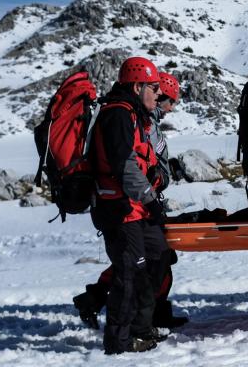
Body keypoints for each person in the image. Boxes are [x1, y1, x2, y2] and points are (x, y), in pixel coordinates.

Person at [73, 71, 188, 332]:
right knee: (140, 263)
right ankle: (126, 322)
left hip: (139, 201)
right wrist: (154, 184)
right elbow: (133, 164)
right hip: (132, 204)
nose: (171, 107)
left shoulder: (145, 121)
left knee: (146, 260)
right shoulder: (139, 121)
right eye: (170, 101)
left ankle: (106, 303)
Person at [90, 56, 170, 354]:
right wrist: (150, 197)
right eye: (154, 87)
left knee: (158, 255)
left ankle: (141, 327)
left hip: (137, 207)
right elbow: (123, 166)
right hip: (120, 209)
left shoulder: (135, 115)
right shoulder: (118, 115)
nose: (159, 94)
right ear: (137, 87)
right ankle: (119, 342)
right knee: (129, 276)